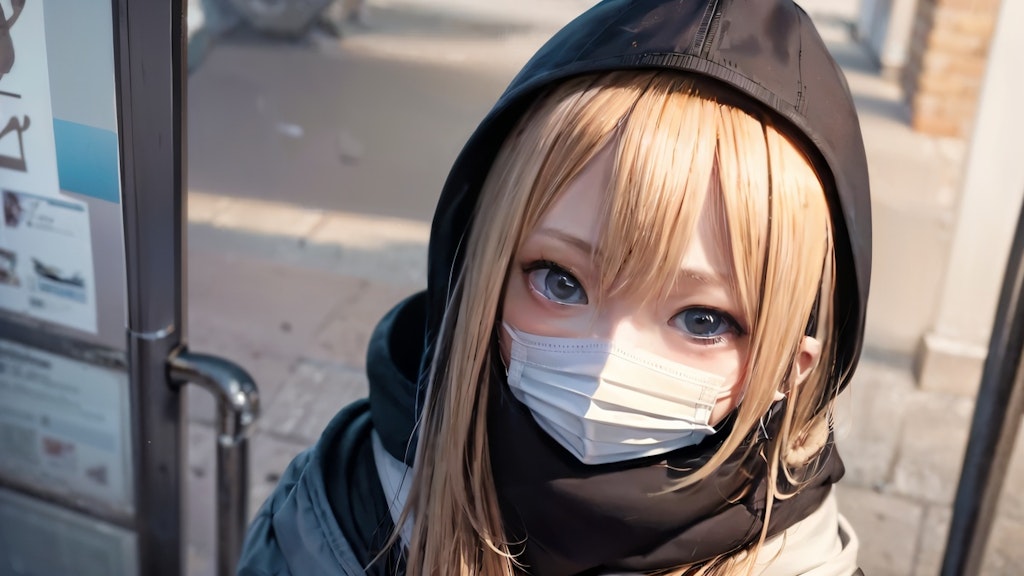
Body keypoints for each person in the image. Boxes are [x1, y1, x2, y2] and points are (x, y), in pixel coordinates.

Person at [236, 0, 871, 574]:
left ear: (795, 364)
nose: (607, 362)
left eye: (703, 319)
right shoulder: (340, 516)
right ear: (481, 270)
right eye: (560, 281)